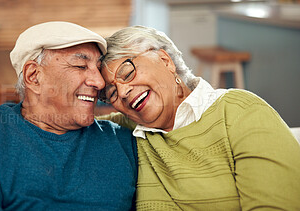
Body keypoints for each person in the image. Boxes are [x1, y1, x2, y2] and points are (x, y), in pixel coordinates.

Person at [0, 21, 137, 210]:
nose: (99, 82)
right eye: (80, 66)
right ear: (34, 76)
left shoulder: (123, 139)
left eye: (98, 69)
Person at [97, 25, 300, 210]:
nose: (122, 92)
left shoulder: (240, 112)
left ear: (165, 60)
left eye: (127, 72)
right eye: (111, 93)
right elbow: (70, 117)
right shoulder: (123, 130)